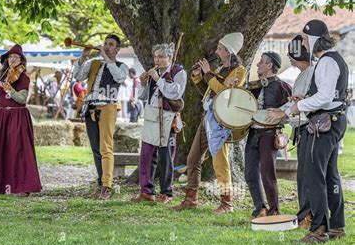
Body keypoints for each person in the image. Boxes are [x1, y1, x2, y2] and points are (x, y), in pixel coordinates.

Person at [288, 20, 348, 243]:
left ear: (314, 39)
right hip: (332, 121)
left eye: (304, 39)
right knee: (330, 173)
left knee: (315, 175)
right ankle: (337, 226)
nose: (303, 44)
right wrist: (305, 99)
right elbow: (328, 95)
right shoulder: (334, 59)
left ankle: (319, 229)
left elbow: (324, 98)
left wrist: (298, 106)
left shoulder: (326, 62)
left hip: (324, 125)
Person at [172, 33, 247, 213]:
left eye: (220, 48)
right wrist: (198, 78)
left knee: (220, 163)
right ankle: (191, 199)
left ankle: (226, 203)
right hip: (209, 118)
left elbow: (225, 94)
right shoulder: (220, 70)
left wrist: (208, 74)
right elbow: (209, 93)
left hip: (222, 121)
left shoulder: (239, 71)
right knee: (192, 158)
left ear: (229, 52)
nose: (216, 51)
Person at [266, 36, 314, 227]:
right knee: (303, 176)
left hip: (309, 128)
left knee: (307, 176)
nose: (290, 59)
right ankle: (306, 214)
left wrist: (284, 112)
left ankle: (308, 215)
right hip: (302, 129)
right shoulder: (304, 73)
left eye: (292, 55)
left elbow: (305, 104)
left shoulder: (311, 73)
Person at [73, 34, 129, 200]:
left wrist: (106, 57)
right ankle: (100, 182)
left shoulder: (122, 65)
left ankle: (107, 185)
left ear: (117, 49)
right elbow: (78, 76)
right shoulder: (93, 63)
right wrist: (83, 56)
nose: (106, 46)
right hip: (91, 106)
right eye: (105, 44)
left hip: (108, 106)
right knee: (96, 148)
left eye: (111, 44)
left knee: (106, 147)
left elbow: (119, 77)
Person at [132, 43, 187, 203]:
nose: (157, 60)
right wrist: (143, 83)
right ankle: (147, 191)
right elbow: (143, 96)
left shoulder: (178, 72)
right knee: (147, 155)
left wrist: (158, 80)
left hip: (167, 117)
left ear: (170, 57)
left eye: (161, 56)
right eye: (155, 56)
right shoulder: (153, 72)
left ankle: (166, 192)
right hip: (151, 116)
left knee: (166, 156)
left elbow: (176, 92)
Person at [0, 44, 42, 197]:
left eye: (16, 57)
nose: (12, 59)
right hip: (0, 116)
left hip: (17, 117)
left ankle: (22, 187)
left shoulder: (24, 78)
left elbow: (22, 99)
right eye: (10, 57)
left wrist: (9, 89)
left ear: (21, 60)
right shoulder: (3, 75)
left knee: (18, 151)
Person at [244, 51, 292, 220]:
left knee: (267, 173)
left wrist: (281, 115)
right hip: (253, 133)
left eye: (261, 62)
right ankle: (260, 208)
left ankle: (274, 211)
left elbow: (293, 108)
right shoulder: (255, 86)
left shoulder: (282, 87)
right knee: (250, 173)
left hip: (269, 134)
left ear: (269, 65)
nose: (258, 65)